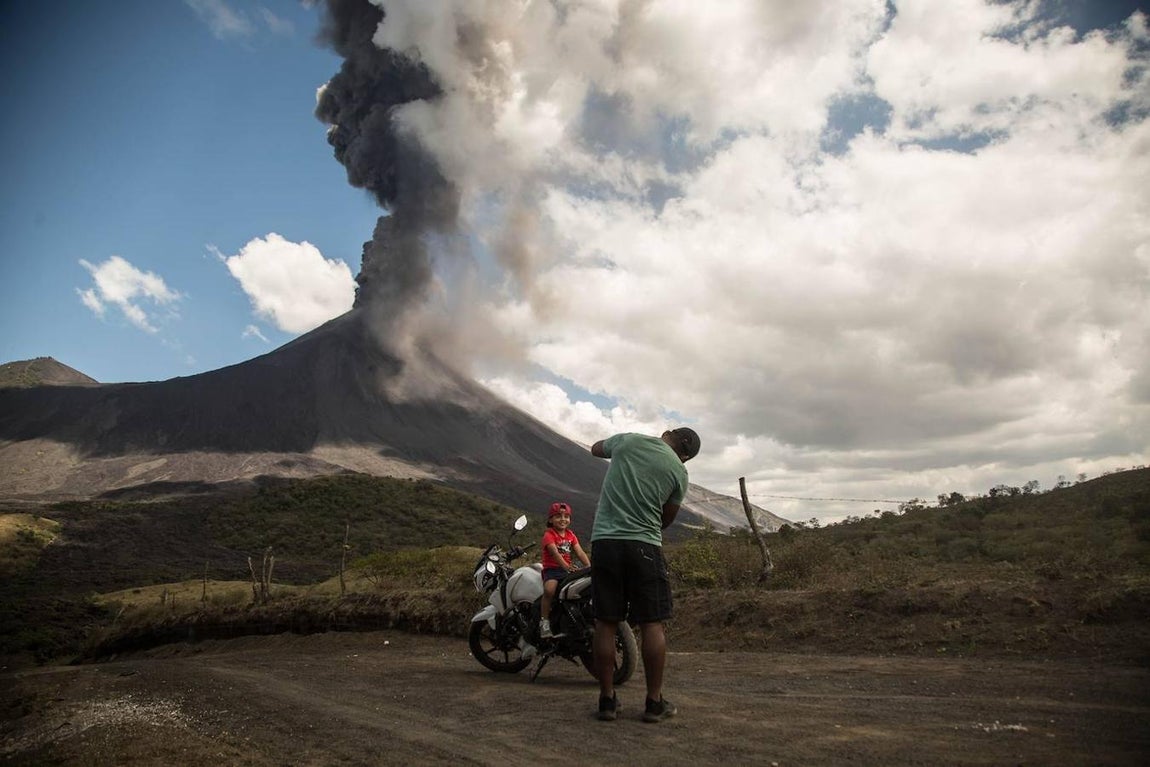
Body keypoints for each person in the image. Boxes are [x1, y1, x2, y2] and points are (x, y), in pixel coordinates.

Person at [589, 426, 700, 723]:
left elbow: (595, 448)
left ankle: (607, 701)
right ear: (686, 456)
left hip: (606, 542)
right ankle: (653, 703)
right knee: (652, 623)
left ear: (666, 433)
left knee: (606, 622)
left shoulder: (629, 441)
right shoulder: (679, 471)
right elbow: (667, 518)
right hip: (646, 546)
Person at [539, 501, 590, 639]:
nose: (563, 519)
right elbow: (555, 554)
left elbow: (580, 552)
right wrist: (566, 566)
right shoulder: (549, 535)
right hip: (552, 570)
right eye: (558, 516)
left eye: (566, 516)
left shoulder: (571, 535)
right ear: (551, 519)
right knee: (549, 590)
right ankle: (544, 621)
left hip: (567, 570)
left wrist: (588, 567)